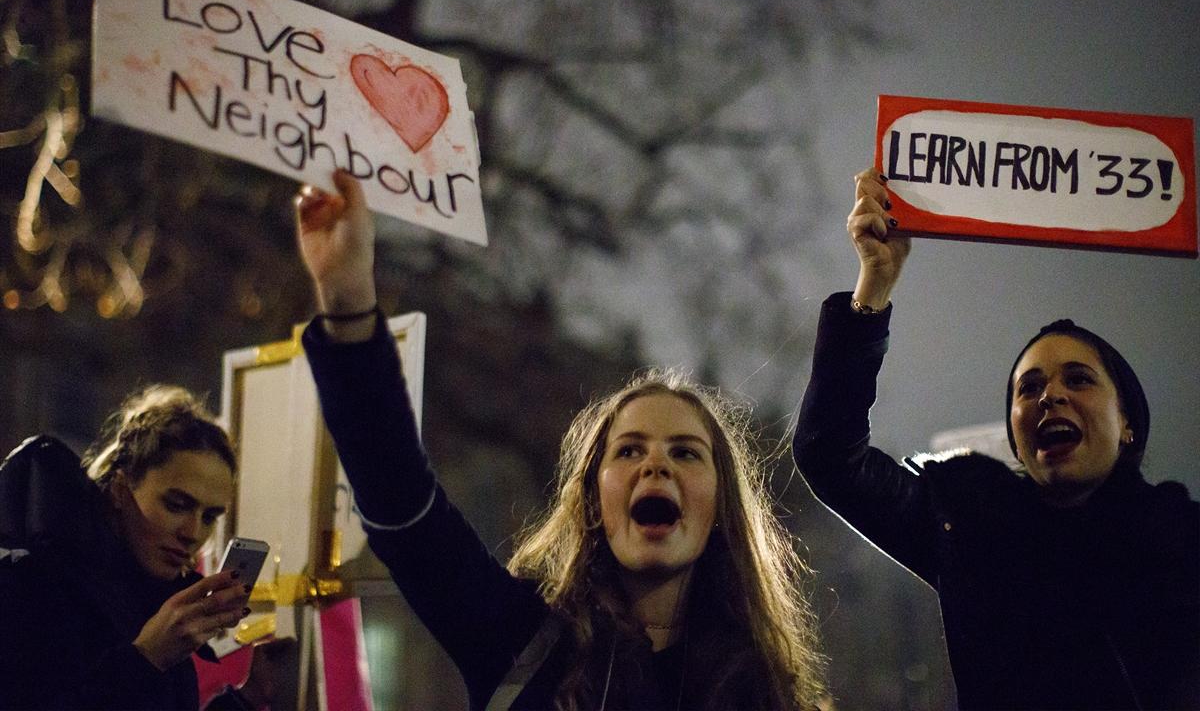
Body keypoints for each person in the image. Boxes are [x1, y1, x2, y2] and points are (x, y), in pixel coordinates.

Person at [295, 170, 827, 710]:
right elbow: (403, 506)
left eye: (685, 452)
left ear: (721, 507)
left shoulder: (763, 690)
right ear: (594, 499)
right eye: (629, 450)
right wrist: (348, 302)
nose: (655, 466)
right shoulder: (520, 642)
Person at [794, 167, 1200, 710]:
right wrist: (875, 283)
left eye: (1077, 378)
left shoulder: (1183, 540)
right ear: (1014, 437)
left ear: (1128, 423)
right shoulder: (967, 524)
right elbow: (830, 457)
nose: (1049, 396)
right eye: (1028, 388)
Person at [0, 386, 251, 711]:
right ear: (120, 490)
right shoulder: (31, 584)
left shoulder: (153, 598)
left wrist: (247, 697)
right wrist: (147, 658)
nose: (193, 533)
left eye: (209, 517)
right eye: (176, 505)